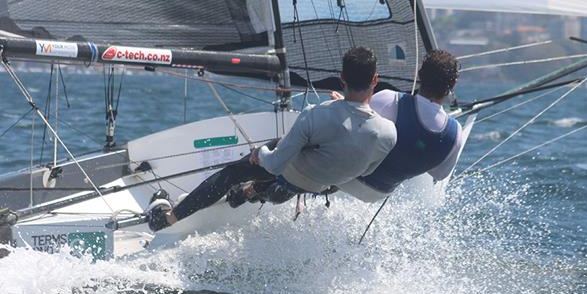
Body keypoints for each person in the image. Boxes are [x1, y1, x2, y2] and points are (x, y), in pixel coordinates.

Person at [146, 46, 397, 232]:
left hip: (291, 175)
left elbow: (274, 164)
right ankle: (244, 194)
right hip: (326, 186)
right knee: (304, 156)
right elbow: (366, 165)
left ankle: (166, 219)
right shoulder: (388, 132)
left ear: (342, 77)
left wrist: (259, 154)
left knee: (239, 170)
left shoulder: (315, 115)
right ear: (375, 80)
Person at [336, 49, 464, 203]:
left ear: (419, 73)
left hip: (346, 177)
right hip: (377, 194)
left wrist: (340, 103)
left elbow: (351, 121)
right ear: (454, 83)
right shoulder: (455, 133)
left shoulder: (390, 99)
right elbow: (440, 174)